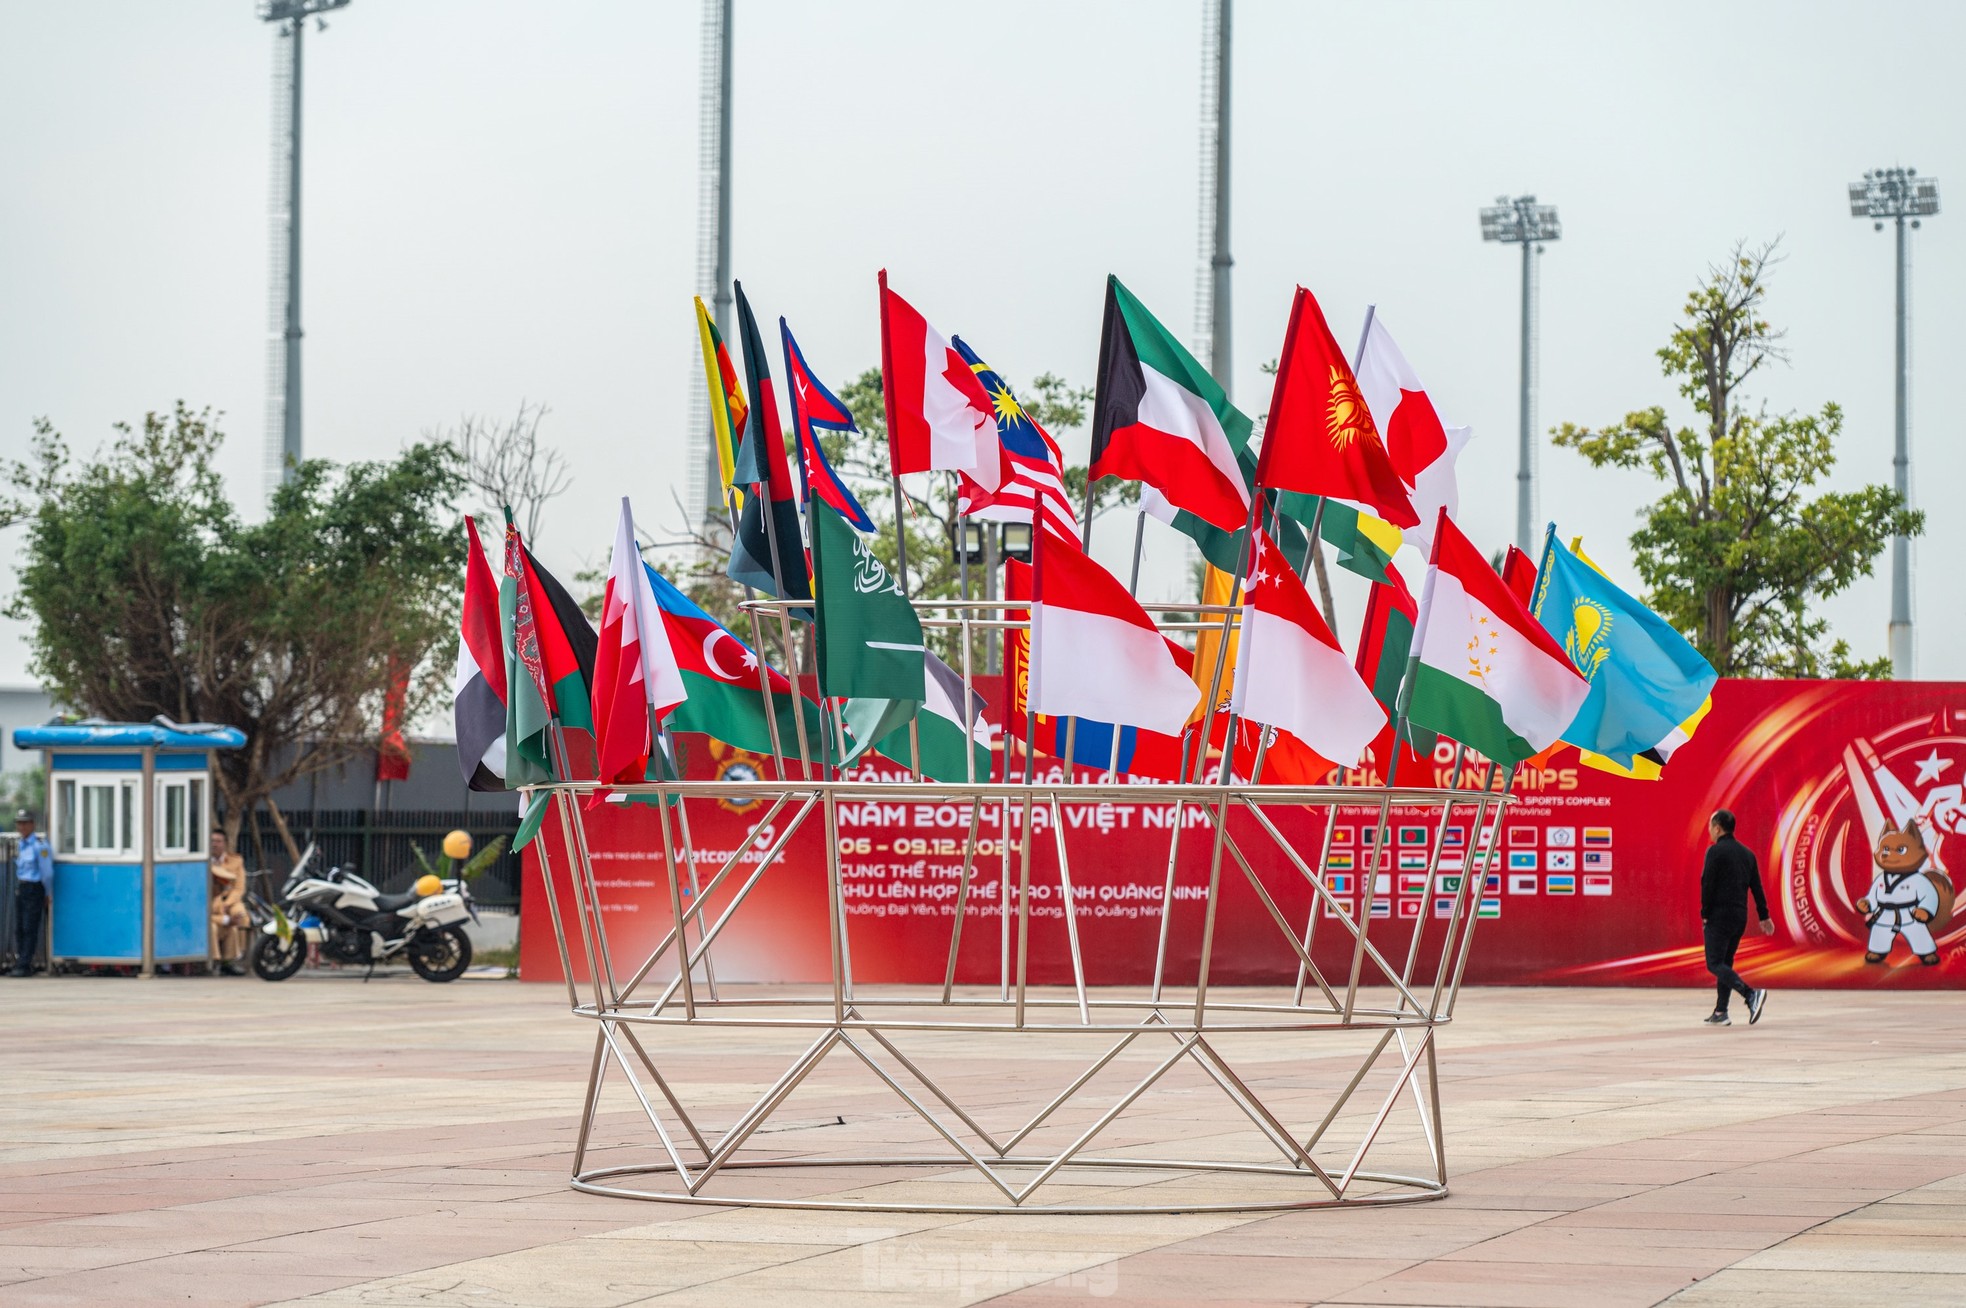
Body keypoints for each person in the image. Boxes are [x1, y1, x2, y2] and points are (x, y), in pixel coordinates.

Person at [1700, 809, 1772, 1026]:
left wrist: (1705, 914)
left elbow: (1707, 884)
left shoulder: (1715, 852)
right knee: (1725, 963)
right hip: (1739, 917)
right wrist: (1764, 916)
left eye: (1711, 827)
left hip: (1719, 915)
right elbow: (1756, 888)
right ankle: (1721, 1012)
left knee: (1714, 963)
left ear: (1718, 828)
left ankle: (1750, 995)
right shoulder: (1747, 854)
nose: (1710, 832)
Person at [11, 810, 52, 977]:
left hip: (35, 889)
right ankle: (22, 961)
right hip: (22, 888)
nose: (22, 827)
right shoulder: (21, 845)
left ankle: (25, 963)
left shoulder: (40, 846)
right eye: (19, 823)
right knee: (19, 928)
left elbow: (47, 873)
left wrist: (48, 893)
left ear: (32, 824)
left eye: (25, 823)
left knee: (29, 927)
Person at [208, 827, 250, 976]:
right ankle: (214, 961)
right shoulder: (203, 862)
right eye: (212, 841)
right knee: (212, 923)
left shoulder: (235, 861)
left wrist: (227, 904)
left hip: (230, 899)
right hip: (211, 899)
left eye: (218, 841)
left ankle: (236, 957)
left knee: (241, 916)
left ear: (225, 843)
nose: (215, 844)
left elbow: (239, 888)